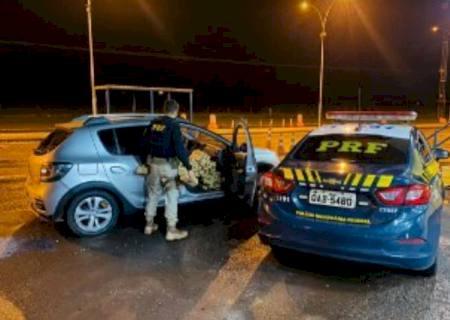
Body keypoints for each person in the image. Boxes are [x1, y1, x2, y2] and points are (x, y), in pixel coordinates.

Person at [140, 99, 196, 241]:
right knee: (172, 195)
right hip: (167, 167)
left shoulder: (153, 123)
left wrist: (144, 163)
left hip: (153, 164)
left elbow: (143, 144)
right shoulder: (173, 125)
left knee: (153, 194)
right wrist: (189, 167)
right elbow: (179, 148)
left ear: (164, 109)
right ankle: (171, 230)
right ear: (176, 111)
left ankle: (149, 225)